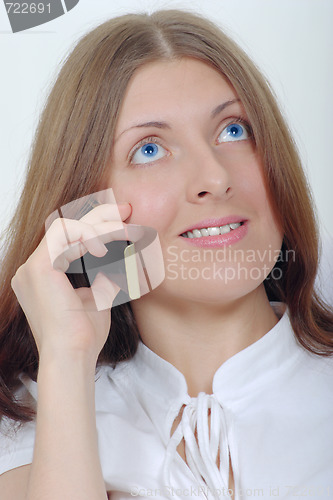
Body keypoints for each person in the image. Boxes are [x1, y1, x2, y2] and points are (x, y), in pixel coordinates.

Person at [0, 9, 332, 500]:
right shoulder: (27, 422)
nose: (215, 178)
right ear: (86, 208)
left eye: (234, 131)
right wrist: (67, 356)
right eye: (150, 149)